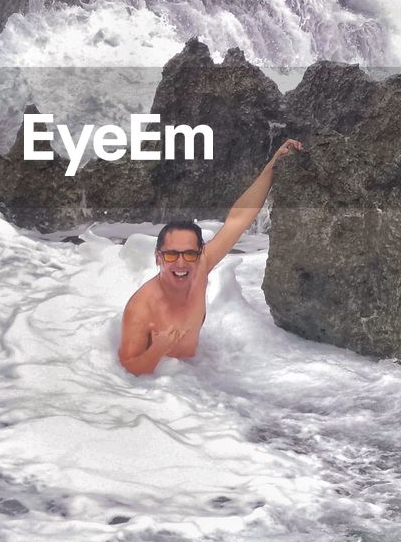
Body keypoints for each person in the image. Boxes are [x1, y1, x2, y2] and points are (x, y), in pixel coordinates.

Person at [118, 139, 303, 375]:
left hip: (196, 381)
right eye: (172, 254)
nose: (182, 263)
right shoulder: (141, 309)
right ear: (158, 257)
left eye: (190, 254)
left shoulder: (200, 268)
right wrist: (158, 349)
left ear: (200, 253)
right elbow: (128, 369)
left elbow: (238, 219)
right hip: (161, 395)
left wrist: (273, 165)